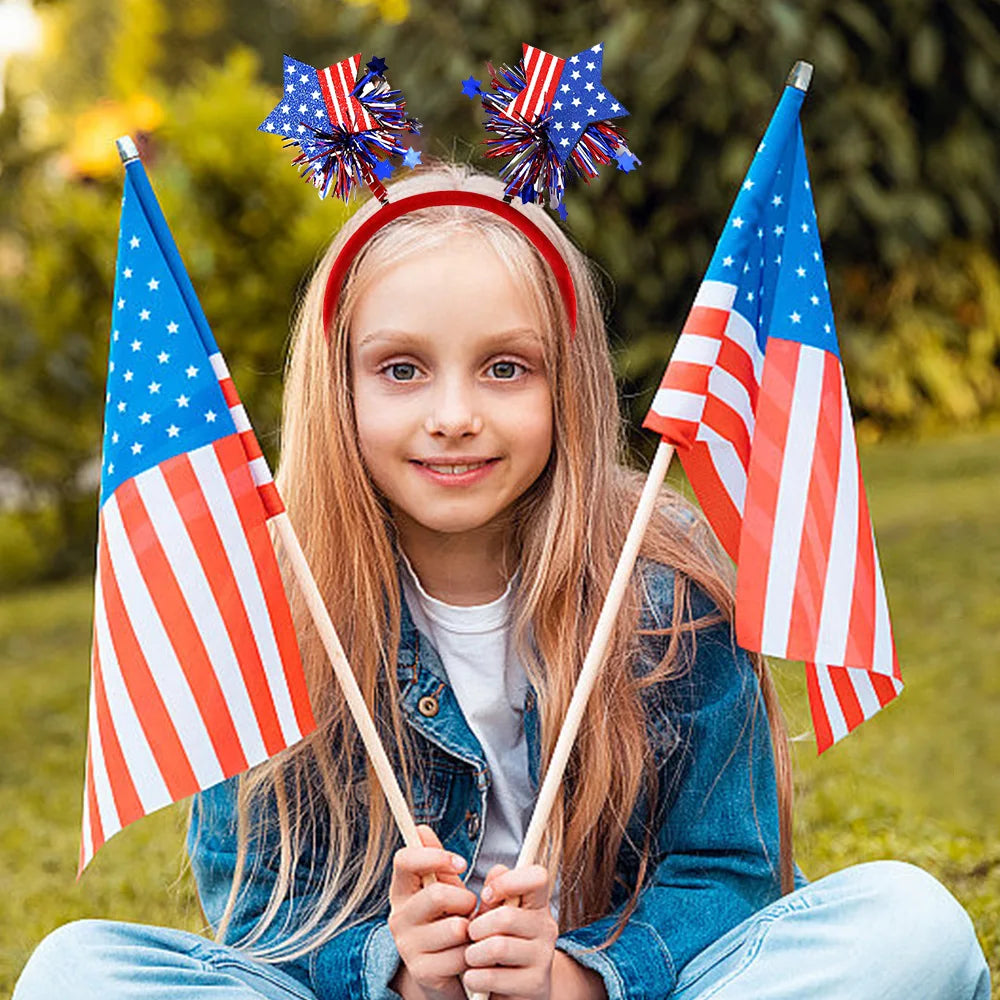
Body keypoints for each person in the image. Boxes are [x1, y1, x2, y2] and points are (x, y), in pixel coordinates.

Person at [14, 164, 991, 1000]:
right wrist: (391, 962)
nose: (453, 414)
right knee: (76, 970)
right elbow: (255, 890)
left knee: (909, 923)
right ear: (337, 384)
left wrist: (576, 974)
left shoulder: (665, 589)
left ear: (566, 377)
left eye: (504, 368)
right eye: (400, 368)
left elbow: (724, 869)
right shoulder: (277, 603)